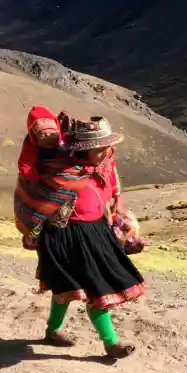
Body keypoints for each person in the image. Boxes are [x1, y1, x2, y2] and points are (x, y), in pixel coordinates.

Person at [14, 114, 146, 359]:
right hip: (64, 235)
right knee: (74, 289)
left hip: (96, 232)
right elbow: (36, 196)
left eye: (107, 147)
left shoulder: (105, 164)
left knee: (91, 289)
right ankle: (86, 338)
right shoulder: (57, 168)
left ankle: (81, 337)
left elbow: (112, 190)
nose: (106, 151)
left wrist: (120, 213)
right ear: (83, 149)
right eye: (99, 148)